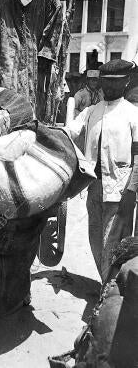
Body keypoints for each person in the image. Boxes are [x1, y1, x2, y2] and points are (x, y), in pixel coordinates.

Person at [65, 59, 138, 282]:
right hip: (94, 187)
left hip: (120, 191)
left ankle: (108, 295)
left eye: (115, 83)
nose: (109, 87)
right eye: (106, 82)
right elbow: (69, 132)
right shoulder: (91, 111)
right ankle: (107, 286)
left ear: (126, 82)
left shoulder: (133, 114)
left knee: (113, 244)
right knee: (96, 240)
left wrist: (132, 191)